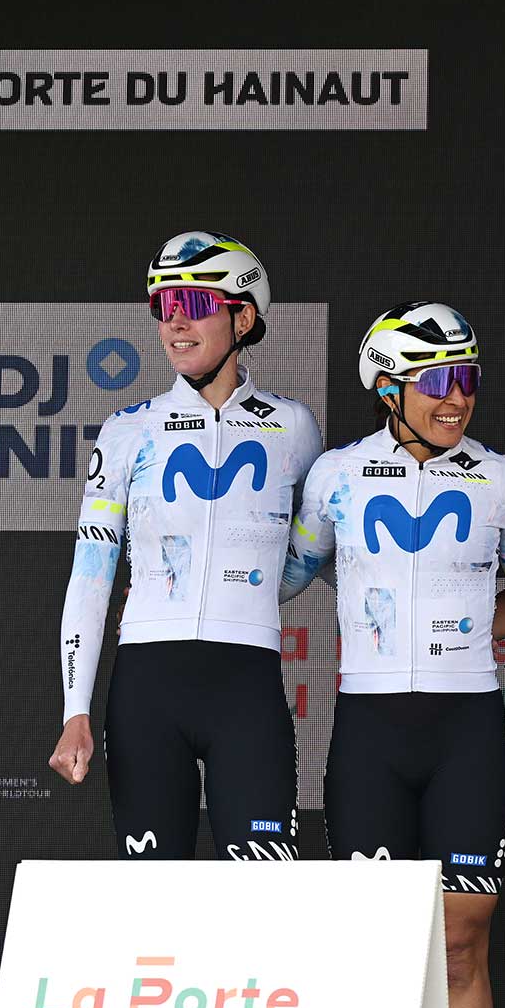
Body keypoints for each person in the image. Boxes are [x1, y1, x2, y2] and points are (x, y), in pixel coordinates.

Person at [279, 300, 505, 1008]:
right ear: (388, 387)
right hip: (367, 728)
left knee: (459, 941)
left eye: (468, 380)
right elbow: (283, 575)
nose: (457, 399)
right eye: (438, 382)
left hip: (467, 730)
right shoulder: (333, 475)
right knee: (370, 946)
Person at [49, 231, 321, 863]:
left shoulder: (294, 426)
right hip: (147, 688)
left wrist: (248, 589)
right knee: (153, 906)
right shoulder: (127, 431)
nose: (174, 322)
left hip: (247, 687)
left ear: (244, 315)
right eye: (163, 306)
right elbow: (89, 578)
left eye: (195, 304)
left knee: (261, 901)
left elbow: (322, 549)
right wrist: (74, 709)